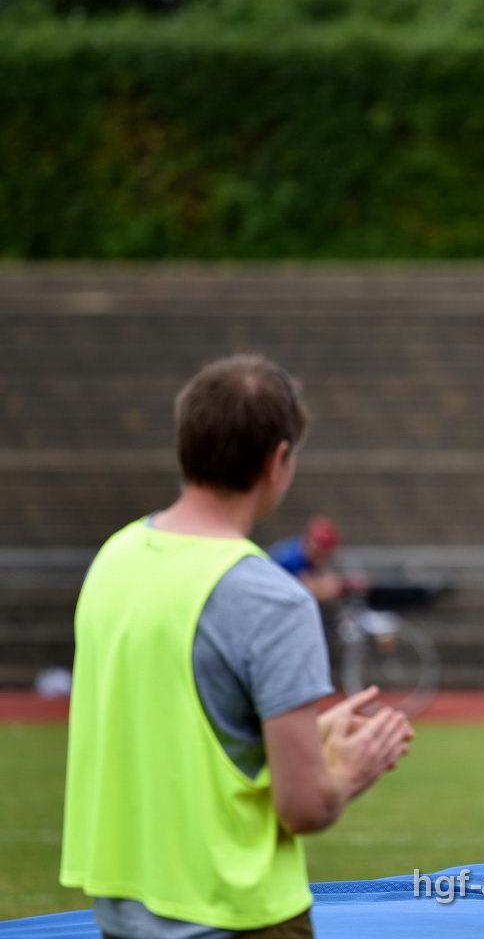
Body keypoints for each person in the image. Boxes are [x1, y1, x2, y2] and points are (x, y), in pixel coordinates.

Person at [60, 355, 413, 939]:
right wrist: (349, 770)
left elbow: (175, 727)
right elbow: (304, 806)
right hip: (238, 913)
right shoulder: (273, 598)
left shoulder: (113, 558)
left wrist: (310, 736)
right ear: (278, 459)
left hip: (122, 909)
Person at [271, 515, 348, 602]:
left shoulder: (309, 558)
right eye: (320, 553)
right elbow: (301, 589)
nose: (321, 559)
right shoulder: (290, 557)